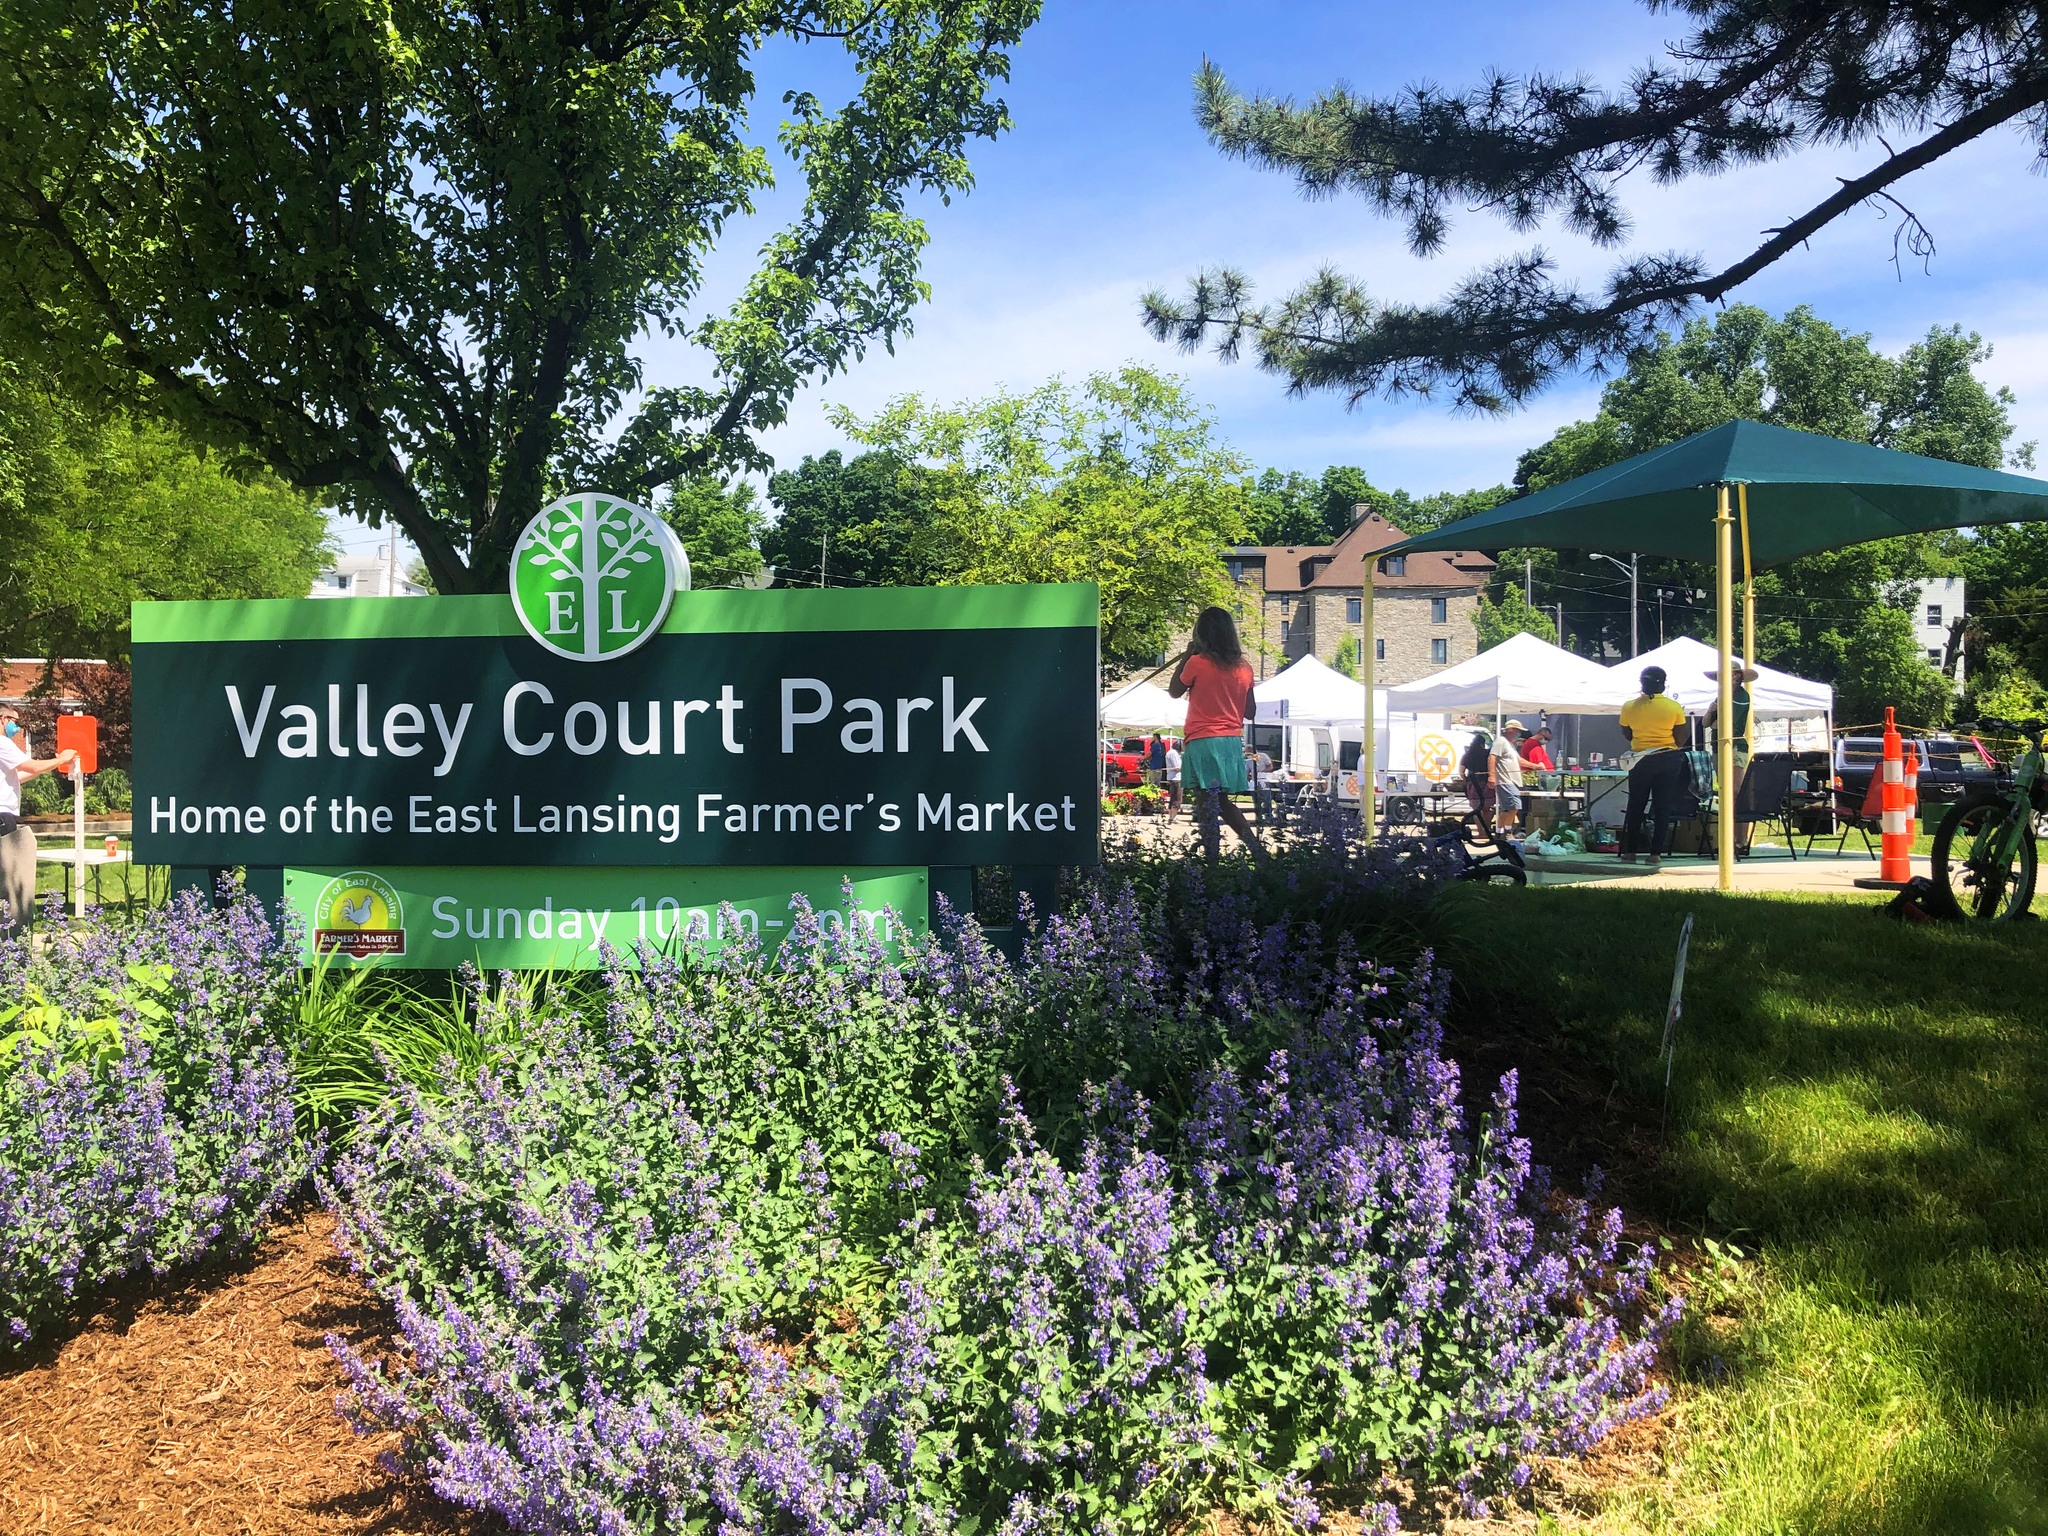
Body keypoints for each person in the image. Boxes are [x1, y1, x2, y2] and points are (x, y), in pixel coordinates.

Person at [1167, 607, 1268, 863]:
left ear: (1202, 633)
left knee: (1207, 804)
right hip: (1231, 741)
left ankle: (1212, 862)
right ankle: (1256, 851)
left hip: (1203, 739)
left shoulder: (1197, 662)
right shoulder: (1244, 668)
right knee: (1221, 801)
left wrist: (1188, 654)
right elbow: (1250, 711)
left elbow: (1174, 690)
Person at [0, 706, 79, 929]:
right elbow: (30, 765)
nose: (17, 727)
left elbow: (17, 776)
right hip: (3, 816)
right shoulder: (3, 743)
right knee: (8, 876)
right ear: (3, 719)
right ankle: (9, 928)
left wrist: (53, 765)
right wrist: (62, 758)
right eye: (14, 721)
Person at [1617, 666, 1691, 868]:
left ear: (1641, 683)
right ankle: (1655, 853)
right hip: (1668, 758)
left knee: (1636, 804)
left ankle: (1630, 851)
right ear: (1663, 683)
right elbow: (1682, 737)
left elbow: (1628, 734)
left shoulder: (1629, 706)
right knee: (1662, 805)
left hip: (1640, 759)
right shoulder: (1673, 707)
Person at [1702, 664, 1759, 856]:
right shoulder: (1720, 697)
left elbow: (1728, 724)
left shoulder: (1742, 696)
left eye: (1731, 675)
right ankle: (1729, 840)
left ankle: (1740, 841)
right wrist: (1712, 711)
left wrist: (1716, 717)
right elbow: (1706, 722)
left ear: (1738, 677)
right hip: (1718, 747)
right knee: (1725, 793)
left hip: (1734, 748)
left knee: (1737, 792)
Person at [1489, 719, 1528, 839]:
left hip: (1512, 780)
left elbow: (1519, 760)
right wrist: (1492, 775)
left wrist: (1536, 766)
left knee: (1506, 809)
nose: (1519, 734)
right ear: (1511, 730)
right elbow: (1492, 757)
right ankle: (1507, 831)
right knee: (1515, 806)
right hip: (1505, 780)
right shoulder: (1500, 742)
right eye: (1517, 731)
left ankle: (1500, 832)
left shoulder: (1510, 745)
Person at [1459, 723, 1495, 837]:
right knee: (1487, 809)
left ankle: (1480, 832)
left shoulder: (1467, 755)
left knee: (1476, 811)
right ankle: (1487, 830)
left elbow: (1461, 771)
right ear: (1483, 744)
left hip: (1473, 784)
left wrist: (1466, 780)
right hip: (1487, 784)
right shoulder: (1487, 754)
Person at [1163, 737, 1183, 818]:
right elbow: (1177, 767)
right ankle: (1173, 817)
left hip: (1172, 777)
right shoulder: (1174, 753)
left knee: (1173, 798)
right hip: (1176, 778)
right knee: (1177, 799)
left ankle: (1171, 816)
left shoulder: (1170, 752)